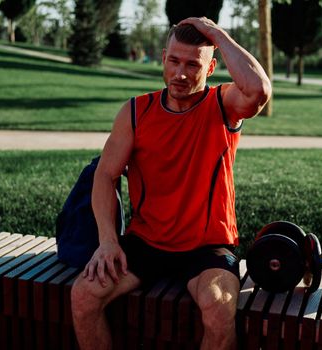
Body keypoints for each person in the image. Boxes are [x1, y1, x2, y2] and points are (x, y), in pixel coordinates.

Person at [70, 16, 271, 350]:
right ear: (163, 58)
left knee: (219, 312)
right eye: (174, 61)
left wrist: (216, 34)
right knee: (83, 296)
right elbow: (105, 176)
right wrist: (108, 241)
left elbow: (259, 90)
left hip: (207, 247)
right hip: (145, 243)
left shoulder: (223, 105)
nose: (180, 73)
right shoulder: (136, 112)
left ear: (210, 69)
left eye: (193, 64)